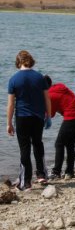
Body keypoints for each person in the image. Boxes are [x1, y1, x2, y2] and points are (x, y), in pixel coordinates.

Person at [6, 50, 52, 191]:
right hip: (38, 117)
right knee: (38, 144)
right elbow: (47, 99)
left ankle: (26, 183)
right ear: (31, 61)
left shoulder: (14, 79)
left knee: (24, 148)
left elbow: (11, 104)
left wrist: (8, 123)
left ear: (18, 62)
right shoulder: (40, 78)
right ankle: (41, 175)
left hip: (22, 118)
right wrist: (48, 116)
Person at [44, 76, 75, 180]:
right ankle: (69, 171)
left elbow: (51, 114)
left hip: (73, 117)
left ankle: (56, 172)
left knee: (59, 144)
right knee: (69, 144)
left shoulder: (50, 95)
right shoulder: (60, 88)